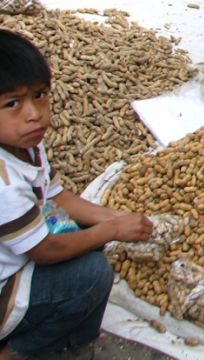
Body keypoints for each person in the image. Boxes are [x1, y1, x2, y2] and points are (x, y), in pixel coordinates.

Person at [0, 29, 153, 359]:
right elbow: (45, 249)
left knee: (90, 238)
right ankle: (15, 351)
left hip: (19, 255)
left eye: (40, 95)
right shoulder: (4, 183)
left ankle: (72, 340)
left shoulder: (24, 143)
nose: (34, 113)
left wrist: (117, 219)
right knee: (93, 275)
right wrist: (112, 229)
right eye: (11, 104)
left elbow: (55, 196)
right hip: (5, 290)